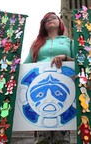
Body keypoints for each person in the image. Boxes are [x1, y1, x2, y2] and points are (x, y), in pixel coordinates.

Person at [23, 12, 74, 144]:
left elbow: (80, 63)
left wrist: (65, 57)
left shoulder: (69, 42)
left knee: (62, 139)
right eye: (46, 20)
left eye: (53, 18)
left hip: (63, 90)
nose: (50, 20)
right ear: (43, 25)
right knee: (41, 139)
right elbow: (25, 65)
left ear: (60, 22)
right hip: (39, 91)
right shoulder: (36, 44)